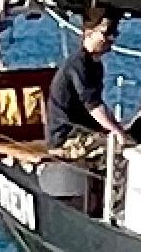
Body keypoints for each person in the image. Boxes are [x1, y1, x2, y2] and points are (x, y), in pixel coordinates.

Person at [44, 10, 127, 153]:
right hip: (67, 138)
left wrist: (118, 128)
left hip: (84, 132)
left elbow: (97, 103)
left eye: (114, 33)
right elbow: (92, 105)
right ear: (89, 32)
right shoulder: (78, 65)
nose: (111, 38)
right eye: (106, 33)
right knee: (119, 149)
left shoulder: (95, 65)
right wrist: (116, 131)